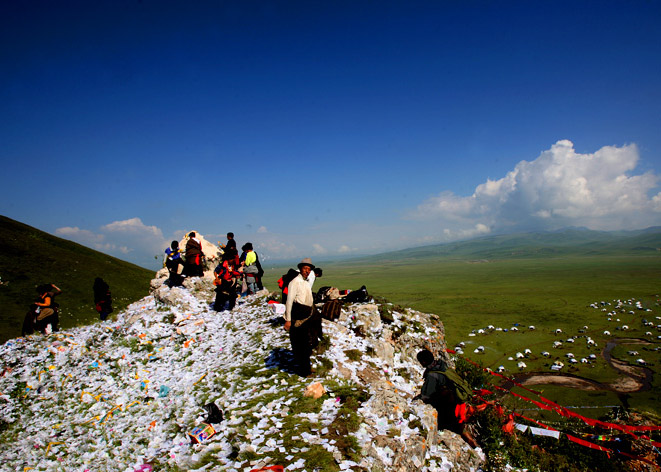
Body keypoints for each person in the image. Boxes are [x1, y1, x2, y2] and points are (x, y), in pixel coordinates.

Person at [415, 349, 478, 448]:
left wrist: (416, 399)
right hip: (458, 403)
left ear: (423, 362)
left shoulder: (432, 375)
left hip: (448, 406)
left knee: (453, 427)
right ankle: (472, 442)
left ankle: (470, 444)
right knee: (459, 426)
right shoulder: (442, 365)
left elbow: (426, 395)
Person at [284, 258, 319, 377]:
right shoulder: (295, 282)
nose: (307, 271)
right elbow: (289, 302)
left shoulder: (305, 282)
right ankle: (304, 371)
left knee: (308, 343)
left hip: (307, 315)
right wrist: (288, 320)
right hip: (299, 316)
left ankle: (306, 367)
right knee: (301, 345)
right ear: (301, 269)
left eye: (309, 269)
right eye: (305, 269)